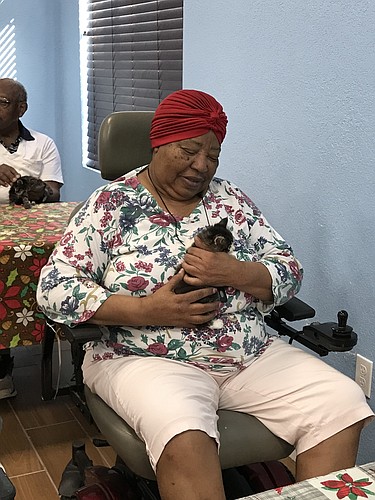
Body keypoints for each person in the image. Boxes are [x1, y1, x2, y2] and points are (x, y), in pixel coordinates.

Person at [37, 89, 373, 500]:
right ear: (159, 142)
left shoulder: (230, 199)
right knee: (184, 430)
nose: (202, 166)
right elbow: (55, 288)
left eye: (212, 156)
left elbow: (288, 268)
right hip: (144, 357)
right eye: (190, 150)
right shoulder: (110, 205)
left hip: (248, 354)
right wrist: (147, 311)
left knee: (341, 403)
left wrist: (239, 271)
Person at [0, 78, 64, 399]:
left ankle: (58, 336)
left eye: (1, 102)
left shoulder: (43, 144)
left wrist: (32, 186)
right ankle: (1, 365)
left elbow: (54, 192)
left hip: (31, 224)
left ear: (21, 108)